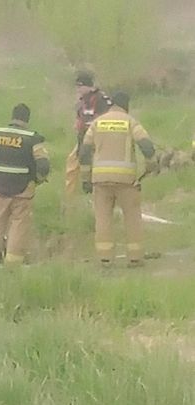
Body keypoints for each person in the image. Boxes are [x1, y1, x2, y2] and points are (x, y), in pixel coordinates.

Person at [79, 90, 158, 267]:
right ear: (126, 105)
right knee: (132, 218)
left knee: (103, 219)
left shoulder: (97, 123)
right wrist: (151, 165)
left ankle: (105, 259)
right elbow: (146, 145)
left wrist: (85, 177)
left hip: (100, 180)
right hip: (126, 180)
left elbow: (84, 152)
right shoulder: (130, 122)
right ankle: (135, 258)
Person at [0, 103, 50, 269]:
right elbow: (43, 166)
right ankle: (13, 266)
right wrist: (37, 180)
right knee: (19, 227)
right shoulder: (32, 139)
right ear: (27, 119)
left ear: (12, 116)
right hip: (23, 191)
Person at [65, 71, 111, 198]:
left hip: (97, 141)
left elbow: (105, 120)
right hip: (82, 139)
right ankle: (69, 197)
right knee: (72, 164)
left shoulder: (102, 100)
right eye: (77, 86)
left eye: (80, 86)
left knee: (93, 168)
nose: (78, 89)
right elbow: (79, 118)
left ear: (88, 86)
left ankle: (96, 194)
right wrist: (78, 124)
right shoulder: (82, 102)